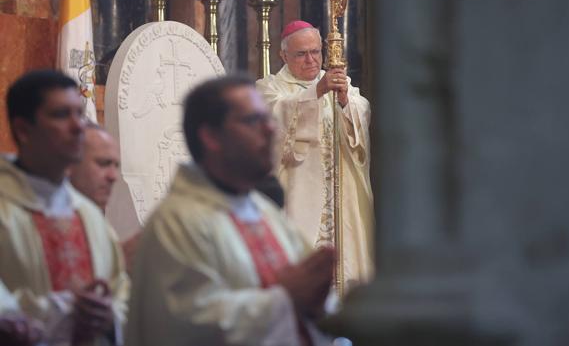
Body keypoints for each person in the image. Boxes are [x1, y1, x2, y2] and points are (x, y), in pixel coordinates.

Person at [126, 75, 335, 346]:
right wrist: (283, 299)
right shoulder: (176, 222)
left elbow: (312, 299)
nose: (270, 130)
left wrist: (320, 303)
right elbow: (186, 325)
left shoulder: (265, 213)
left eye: (267, 119)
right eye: (252, 121)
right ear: (211, 137)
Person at [0, 70, 128, 346]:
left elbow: (121, 294)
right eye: (61, 115)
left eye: (79, 114)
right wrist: (60, 312)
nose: (78, 126)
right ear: (23, 129)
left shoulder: (89, 215)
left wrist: (109, 316)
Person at [256, 20, 374, 288]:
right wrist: (315, 94)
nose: (311, 60)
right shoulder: (269, 87)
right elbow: (274, 119)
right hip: (298, 200)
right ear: (283, 55)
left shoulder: (338, 83)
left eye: (315, 52)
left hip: (341, 200)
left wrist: (345, 101)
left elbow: (362, 112)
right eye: (301, 54)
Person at [69, 122, 140, 273]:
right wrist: (121, 261)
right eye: (103, 164)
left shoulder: (92, 217)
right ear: (70, 163)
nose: (113, 176)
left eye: (116, 166)